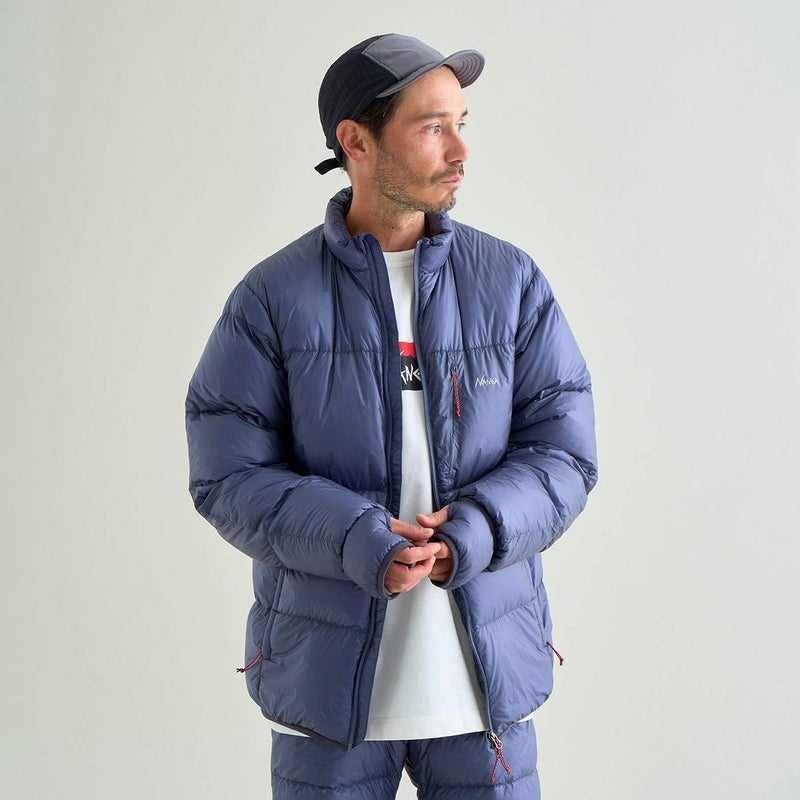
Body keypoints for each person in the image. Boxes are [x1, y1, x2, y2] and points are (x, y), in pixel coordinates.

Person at [185, 33, 598, 800]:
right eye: (433, 127)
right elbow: (227, 476)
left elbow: (565, 454)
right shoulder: (272, 298)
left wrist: (477, 530)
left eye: (461, 124)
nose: (461, 151)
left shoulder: (509, 282)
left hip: (485, 696)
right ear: (356, 142)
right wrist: (353, 538)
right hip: (326, 696)